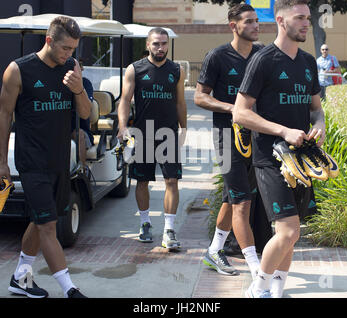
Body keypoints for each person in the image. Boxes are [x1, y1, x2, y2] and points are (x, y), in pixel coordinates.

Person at [233, 0, 325, 298]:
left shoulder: (309, 62)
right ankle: (257, 289)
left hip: (302, 161)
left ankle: (277, 290)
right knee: (287, 231)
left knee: (291, 235)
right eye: (299, 18)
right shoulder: (263, 60)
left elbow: (316, 110)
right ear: (280, 20)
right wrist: (283, 130)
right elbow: (240, 113)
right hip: (270, 159)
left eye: (308, 18)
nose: (306, 23)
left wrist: (319, 126)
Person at [0, 16, 91, 298]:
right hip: (31, 160)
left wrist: (79, 88)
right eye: (65, 48)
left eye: (73, 48)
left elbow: (85, 114)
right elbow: (4, 115)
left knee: (40, 219)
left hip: (60, 159)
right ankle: (69, 289)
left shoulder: (72, 68)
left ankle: (20, 277)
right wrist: (2, 161)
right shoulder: (18, 70)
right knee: (48, 225)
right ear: (49, 41)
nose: (69, 54)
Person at [194, 4, 262, 277]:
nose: (256, 26)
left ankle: (214, 251)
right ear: (233, 26)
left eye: (257, 21)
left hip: (255, 138)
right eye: (249, 22)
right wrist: (232, 108)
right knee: (242, 201)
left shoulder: (262, 55)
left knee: (230, 198)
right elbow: (200, 96)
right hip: (225, 137)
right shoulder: (217, 57)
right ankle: (257, 268)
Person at [117, 28, 187, 249]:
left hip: (168, 134)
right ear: (147, 44)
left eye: (164, 44)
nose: (160, 48)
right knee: (143, 181)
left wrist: (184, 127)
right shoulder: (135, 69)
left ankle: (169, 230)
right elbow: (125, 100)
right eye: (156, 44)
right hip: (143, 134)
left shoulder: (176, 70)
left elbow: (180, 102)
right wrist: (122, 126)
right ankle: (145, 223)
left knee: (172, 181)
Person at [71, 60, 95, 168]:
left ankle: (81, 173)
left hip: (79, 129)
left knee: (78, 133)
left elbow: (85, 110)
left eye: (78, 65)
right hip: (58, 129)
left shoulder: (85, 83)